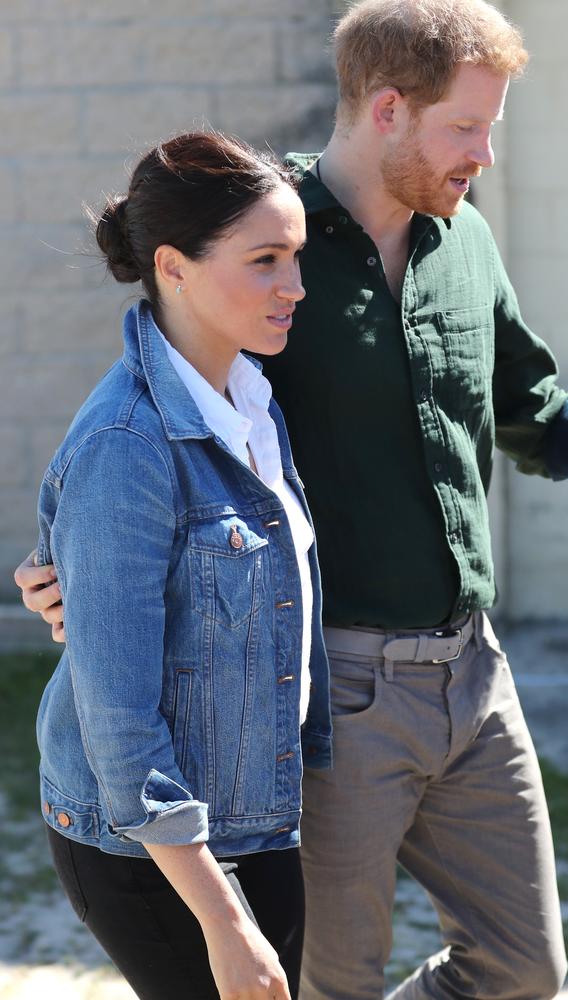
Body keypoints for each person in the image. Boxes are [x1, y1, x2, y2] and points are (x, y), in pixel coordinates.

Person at [15, 1, 568, 999]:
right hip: (329, 689)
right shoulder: (267, 241)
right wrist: (67, 575)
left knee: (524, 967)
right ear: (387, 109)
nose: (483, 154)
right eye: (464, 127)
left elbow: (530, 416)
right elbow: (159, 432)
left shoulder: (464, 240)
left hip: (473, 677)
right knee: (325, 983)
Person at [19, 129, 332, 1000]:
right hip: (150, 846)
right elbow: (118, 721)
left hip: (253, 814)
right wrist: (225, 923)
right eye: (266, 260)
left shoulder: (252, 401)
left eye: (296, 257)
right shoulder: (130, 447)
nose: (295, 286)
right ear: (174, 266)